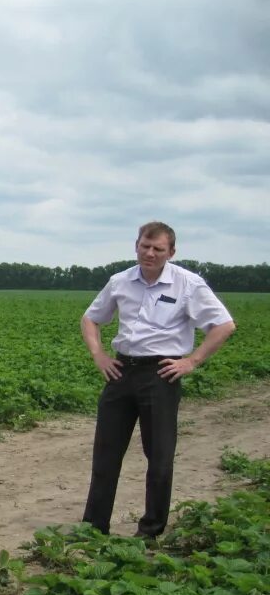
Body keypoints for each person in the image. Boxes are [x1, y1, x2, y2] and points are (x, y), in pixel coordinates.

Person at [81, 222, 235, 537]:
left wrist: (192, 361)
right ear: (136, 245)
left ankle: (151, 529)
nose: (150, 253)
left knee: (160, 456)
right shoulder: (120, 281)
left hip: (160, 374)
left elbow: (223, 325)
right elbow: (91, 318)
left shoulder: (188, 285)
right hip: (121, 371)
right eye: (144, 246)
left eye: (158, 249)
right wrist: (99, 355)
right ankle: (94, 527)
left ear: (171, 252)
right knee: (106, 453)